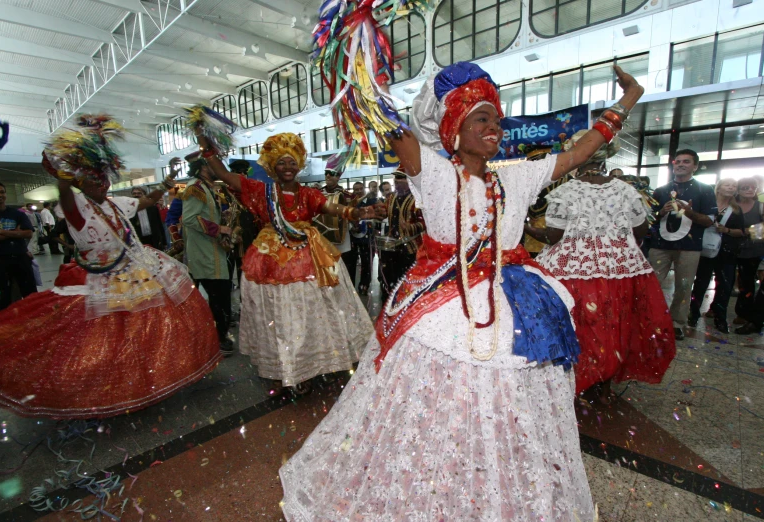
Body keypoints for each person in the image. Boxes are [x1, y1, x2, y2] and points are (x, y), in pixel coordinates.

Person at [279, 62, 644, 520]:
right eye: (482, 119)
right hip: (442, 308)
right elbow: (394, 130)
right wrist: (362, 69)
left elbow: (577, 152)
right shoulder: (432, 173)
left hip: (515, 305)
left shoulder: (516, 176)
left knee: (509, 406)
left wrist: (627, 100)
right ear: (454, 129)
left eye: (496, 119)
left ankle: (497, 485)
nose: (496, 127)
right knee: (439, 409)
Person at [0, 115, 221, 419]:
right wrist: (64, 170)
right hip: (97, 274)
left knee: (145, 325)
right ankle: (106, 386)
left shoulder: (114, 202)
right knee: (101, 334)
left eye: (103, 177)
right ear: (83, 181)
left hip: (136, 267)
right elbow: (65, 192)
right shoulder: (76, 205)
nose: (101, 183)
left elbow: (147, 202)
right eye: (94, 179)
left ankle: (145, 375)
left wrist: (168, 181)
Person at [196, 131, 376, 394]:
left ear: (300, 164)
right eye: (282, 162)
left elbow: (330, 207)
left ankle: (315, 361)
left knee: (314, 309)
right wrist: (207, 149)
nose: (288, 167)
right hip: (270, 257)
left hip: (310, 255)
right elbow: (225, 175)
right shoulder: (260, 191)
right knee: (278, 314)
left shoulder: (309, 194)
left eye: (292, 162)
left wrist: (355, 211)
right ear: (271, 166)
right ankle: (284, 368)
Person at [535, 132, 675, 401]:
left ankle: (577, 379)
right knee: (614, 324)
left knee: (580, 325)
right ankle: (604, 385)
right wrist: (613, 241)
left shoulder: (565, 191)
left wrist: (527, 227)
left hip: (572, 272)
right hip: (619, 270)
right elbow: (641, 229)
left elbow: (554, 237)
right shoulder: (625, 189)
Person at [648, 149, 717, 340]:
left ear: (694, 166)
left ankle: (677, 322)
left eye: (686, 162)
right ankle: (648, 320)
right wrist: (661, 212)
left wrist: (690, 213)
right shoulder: (661, 190)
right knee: (652, 283)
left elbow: (710, 220)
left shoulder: (705, 190)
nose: (680, 164)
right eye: (677, 161)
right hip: (660, 246)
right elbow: (648, 219)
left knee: (684, 287)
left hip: (689, 248)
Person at [181, 152, 235, 356]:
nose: (218, 168)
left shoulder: (206, 188)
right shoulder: (195, 188)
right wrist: (219, 229)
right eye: (213, 164)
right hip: (204, 255)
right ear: (203, 167)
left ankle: (216, 337)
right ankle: (218, 339)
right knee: (219, 298)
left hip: (212, 253)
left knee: (220, 298)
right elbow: (189, 218)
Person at [689, 178, 745, 333]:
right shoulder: (707, 205)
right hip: (705, 250)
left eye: (734, 186)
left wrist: (726, 230)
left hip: (727, 252)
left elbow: (742, 232)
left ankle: (720, 318)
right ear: (719, 188)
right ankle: (693, 314)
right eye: (728, 185)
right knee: (701, 283)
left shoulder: (736, 209)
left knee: (724, 286)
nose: (731, 188)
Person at [0, 181, 37, 312]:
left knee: (30, 293)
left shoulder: (17, 214)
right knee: (1, 295)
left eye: (2, 192)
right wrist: (16, 232)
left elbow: (28, 233)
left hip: (20, 257)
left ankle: (35, 321)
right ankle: (2, 325)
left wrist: (3, 232)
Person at [378, 170, 424, 304]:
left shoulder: (417, 199)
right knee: (389, 277)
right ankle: (390, 303)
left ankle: (406, 303)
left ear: (409, 180)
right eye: (395, 178)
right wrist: (378, 213)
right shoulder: (391, 198)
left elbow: (424, 223)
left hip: (410, 248)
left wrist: (410, 227)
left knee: (407, 278)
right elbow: (385, 213)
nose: (396, 181)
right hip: (392, 246)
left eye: (400, 177)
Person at [522, 144, 573, 258]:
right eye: (532, 163)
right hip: (530, 247)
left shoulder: (567, 181)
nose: (535, 167)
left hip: (560, 247)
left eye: (539, 162)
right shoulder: (525, 182)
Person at [732, 177, 764, 327]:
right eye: (746, 187)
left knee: (747, 282)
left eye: (753, 187)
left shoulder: (760, 206)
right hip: (730, 248)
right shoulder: (732, 205)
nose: (750, 190)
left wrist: (742, 232)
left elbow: (762, 230)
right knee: (726, 280)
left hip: (752, 250)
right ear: (738, 190)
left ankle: (743, 313)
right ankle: (716, 308)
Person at [315, 162, 355, 276]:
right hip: (322, 239)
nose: (327, 176)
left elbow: (353, 217)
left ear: (338, 177)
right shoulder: (317, 194)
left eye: (331, 173)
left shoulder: (347, 196)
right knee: (325, 271)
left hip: (341, 239)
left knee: (343, 272)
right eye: (326, 173)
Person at [129, 186, 167, 250]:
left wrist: (164, 242)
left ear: (144, 195)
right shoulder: (129, 210)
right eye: (134, 193)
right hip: (138, 241)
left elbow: (159, 225)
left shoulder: (153, 208)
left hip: (153, 240)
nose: (136, 195)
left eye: (139, 193)